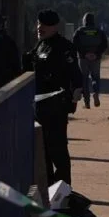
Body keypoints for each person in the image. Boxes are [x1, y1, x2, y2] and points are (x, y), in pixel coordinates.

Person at [29, 10, 83, 186]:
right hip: (38, 107)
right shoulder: (40, 45)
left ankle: (64, 189)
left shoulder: (64, 47)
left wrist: (76, 92)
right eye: (38, 24)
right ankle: (49, 189)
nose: (39, 28)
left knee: (57, 150)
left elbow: (75, 74)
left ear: (54, 27)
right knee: (42, 151)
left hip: (55, 108)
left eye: (43, 25)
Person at [72, 13, 109, 108]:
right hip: (96, 58)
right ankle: (96, 92)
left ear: (84, 21)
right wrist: (96, 54)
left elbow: (75, 44)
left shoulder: (79, 31)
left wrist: (85, 54)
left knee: (84, 79)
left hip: (83, 58)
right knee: (95, 77)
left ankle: (87, 102)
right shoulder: (99, 32)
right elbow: (105, 44)